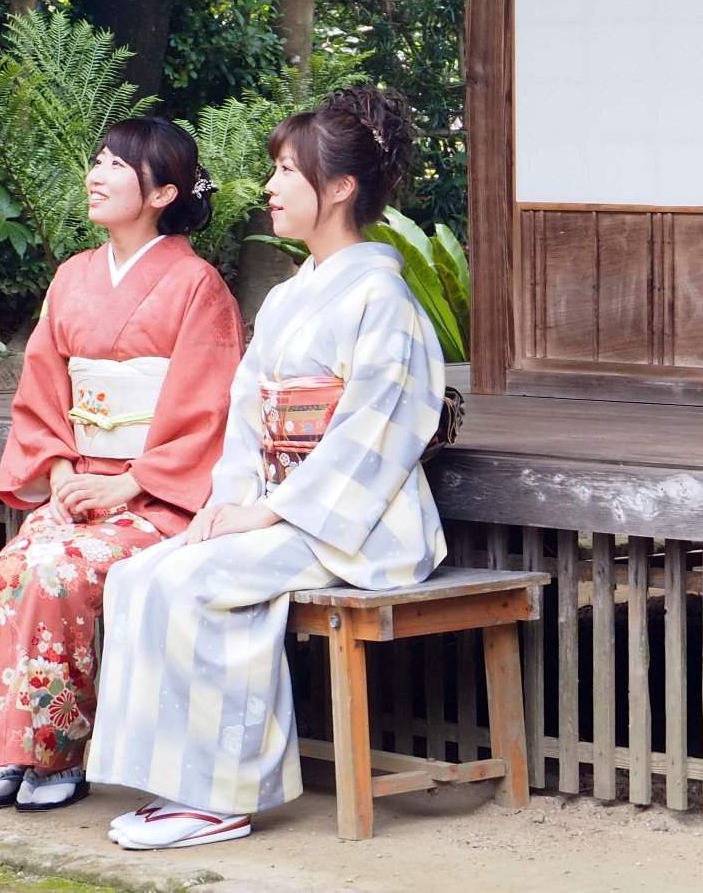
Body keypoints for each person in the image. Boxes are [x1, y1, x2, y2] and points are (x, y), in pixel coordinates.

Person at [88, 87, 446, 850]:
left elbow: (373, 435)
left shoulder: (383, 297)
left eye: (287, 170)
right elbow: (246, 418)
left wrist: (271, 511)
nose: (270, 186)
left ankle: (222, 796)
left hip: (360, 522)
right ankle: (176, 783)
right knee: (139, 575)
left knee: (198, 582)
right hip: (286, 508)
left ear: (339, 187)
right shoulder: (286, 300)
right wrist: (231, 502)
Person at [0, 117, 243, 814]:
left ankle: (56, 757)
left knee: (56, 576)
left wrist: (128, 484)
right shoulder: (72, 277)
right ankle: (10, 753)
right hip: (81, 486)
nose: (97, 175)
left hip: (156, 500)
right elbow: (43, 391)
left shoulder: (198, 285)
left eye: (117, 165)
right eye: (98, 160)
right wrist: (58, 476)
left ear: (163, 193)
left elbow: (208, 408)